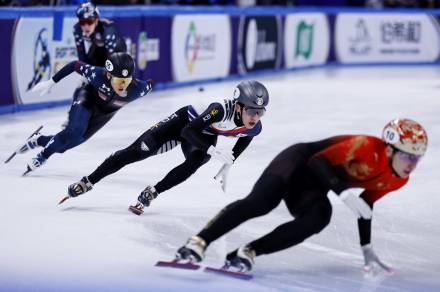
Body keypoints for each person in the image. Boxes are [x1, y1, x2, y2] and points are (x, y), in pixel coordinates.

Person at [175, 119, 428, 273]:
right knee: (260, 203)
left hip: (313, 186)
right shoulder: (365, 146)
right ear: (390, 148)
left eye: (416, 159)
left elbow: (365, 206)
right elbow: (318, 162)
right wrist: (342, 191)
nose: (411, 164)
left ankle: (248, 252)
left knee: (318, 217)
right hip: (297, 163)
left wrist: (366, 246)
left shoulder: (398, 179)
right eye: (407, 156)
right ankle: (198, 242)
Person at [64, 80, 269, 216]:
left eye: (260, 112)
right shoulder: (219, 110)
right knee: (137, 152)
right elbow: (188, 131)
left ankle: (153, 192)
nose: (255, 117)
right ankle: (89, 181)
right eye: (252, 111)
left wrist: (229, 163)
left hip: (202, 136)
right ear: (239, 106)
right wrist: (211, 150)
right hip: (182, 124)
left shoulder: (254, 127)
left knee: (195, 161)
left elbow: (245, 138)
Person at [18, 52, 153, 175]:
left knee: (63, 147)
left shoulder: (138, 89)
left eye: (127, 80)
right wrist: (52, 81)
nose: (123, 85)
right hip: (87, 98)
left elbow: (150, 84)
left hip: (103, 115)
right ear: (108, 75)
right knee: (73, 131)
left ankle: (38, 139)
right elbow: (75, 65)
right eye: (119, 81)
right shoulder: (98, 75)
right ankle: (42, 156)